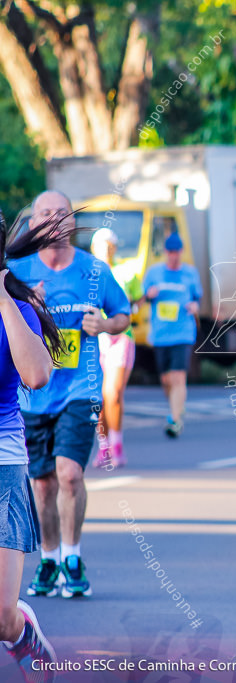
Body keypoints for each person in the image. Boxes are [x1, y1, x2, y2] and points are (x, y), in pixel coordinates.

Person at [10, 191, 131, 600]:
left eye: (61, 213)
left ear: (72, 222)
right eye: (45, 213)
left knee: (70, 474)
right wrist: (28, 305)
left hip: (81, 388)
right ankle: (48, 558)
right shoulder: (15, 271)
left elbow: (123, 314)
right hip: (32, 395)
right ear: (31, 225)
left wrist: (106, 325)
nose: (53, 220)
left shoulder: (93, 270)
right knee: (42, 485)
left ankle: (73, 556)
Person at [0, 207, 62, 678]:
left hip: (4, 460)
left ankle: (21, 633)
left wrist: (3, 299)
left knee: (2, 617)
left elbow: (37, 375)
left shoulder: (16, 309)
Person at [90, 228, 141, 468]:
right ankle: (104, 448)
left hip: (121, 337)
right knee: (99, 397)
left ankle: (117, 444)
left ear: (115, 247)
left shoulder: (126, 273)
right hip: (95, 340)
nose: (106, 249)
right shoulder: (88, 273)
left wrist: (134, 309)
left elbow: (137, 301)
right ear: (94, 248)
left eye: (110, 245)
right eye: (101, 245)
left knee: (113, 393)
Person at [143, 233, 202, 438]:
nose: (173, 256)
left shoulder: (190, 274)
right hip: (161, 334)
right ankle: (176, 406)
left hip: (183, 332)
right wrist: (149, 295)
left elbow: (197, 299)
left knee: (178, 376)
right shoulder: (154, 273)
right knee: (166, 379)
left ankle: (175, 419)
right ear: (165, 253)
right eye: (170, 252)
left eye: (177, 252)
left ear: (181, 252)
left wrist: (195, 306)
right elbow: (141, 298)